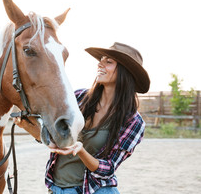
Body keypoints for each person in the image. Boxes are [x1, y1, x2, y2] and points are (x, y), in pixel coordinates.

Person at [14, 42, 150, 194]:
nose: (100, 64)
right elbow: (54, 138)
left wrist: (80, 150)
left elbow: (108, 168)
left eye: (108, 61)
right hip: (56, 188)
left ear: (125, 72)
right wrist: (28, 126)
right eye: (101, 59)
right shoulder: (78, 98)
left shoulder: (133, 122)